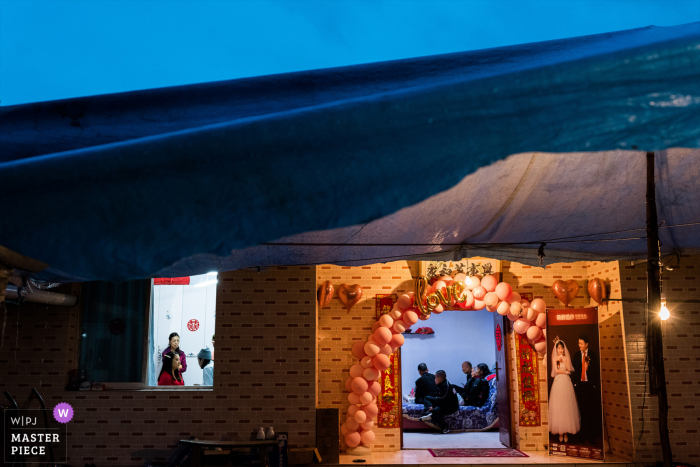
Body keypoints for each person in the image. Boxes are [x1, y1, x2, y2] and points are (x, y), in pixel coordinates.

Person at [549, 340, 581, 443]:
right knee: (559, 406)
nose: (560, 350)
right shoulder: (554, 358)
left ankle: (566, 432)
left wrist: (564, 360)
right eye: (558, 348)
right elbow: (557, 371)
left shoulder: (566, 358)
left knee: (567, 406)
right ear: (556, 349)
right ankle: (560, 433)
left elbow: (569, 369)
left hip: (566, 382)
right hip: (558, 382)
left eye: (562, 348)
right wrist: (565, 371)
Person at [571, 335, 601, 445]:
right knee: (581, 411)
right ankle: (582, 436)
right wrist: (575, 383)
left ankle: (591, 436)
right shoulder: (576, 355)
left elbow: (596, 370)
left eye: (581, 344)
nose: (579, 346)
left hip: (590, 386)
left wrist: (594, 384)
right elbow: (574, 369)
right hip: (580, 386)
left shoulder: (592, 354)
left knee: (591, 411)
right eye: (578, 343)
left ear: (586, 344)